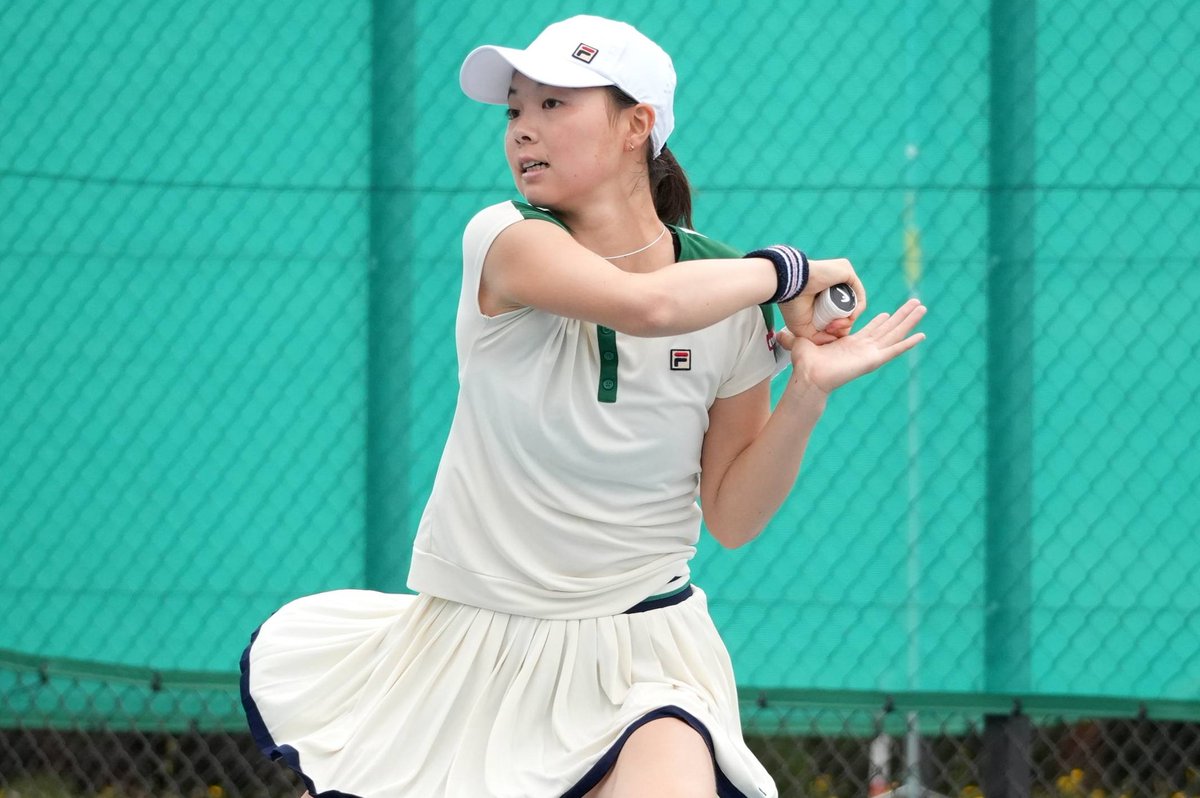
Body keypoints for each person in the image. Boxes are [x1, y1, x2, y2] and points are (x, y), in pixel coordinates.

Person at [240, 14, 926, 798]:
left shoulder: (730, 295)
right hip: (477, 648)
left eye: (555, 104)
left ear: (638, 125)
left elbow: (732, 516)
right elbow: (647, 307)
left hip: (645, 656)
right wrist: (787, 268)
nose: (524, 130)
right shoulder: (502, 239)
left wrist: (805, 391)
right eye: (515, 110)